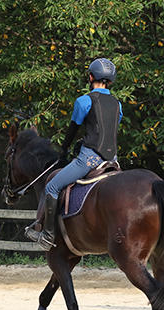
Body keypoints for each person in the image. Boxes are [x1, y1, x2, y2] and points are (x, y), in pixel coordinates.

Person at [26, 58, 123, 251]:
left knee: (52, 186)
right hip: (112, 160)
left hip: (90, 158)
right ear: (110, 81)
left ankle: (48, 235)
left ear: (90, 76)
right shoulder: (117, 104)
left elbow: (73, 130)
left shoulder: (84, 101)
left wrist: (64, 150)